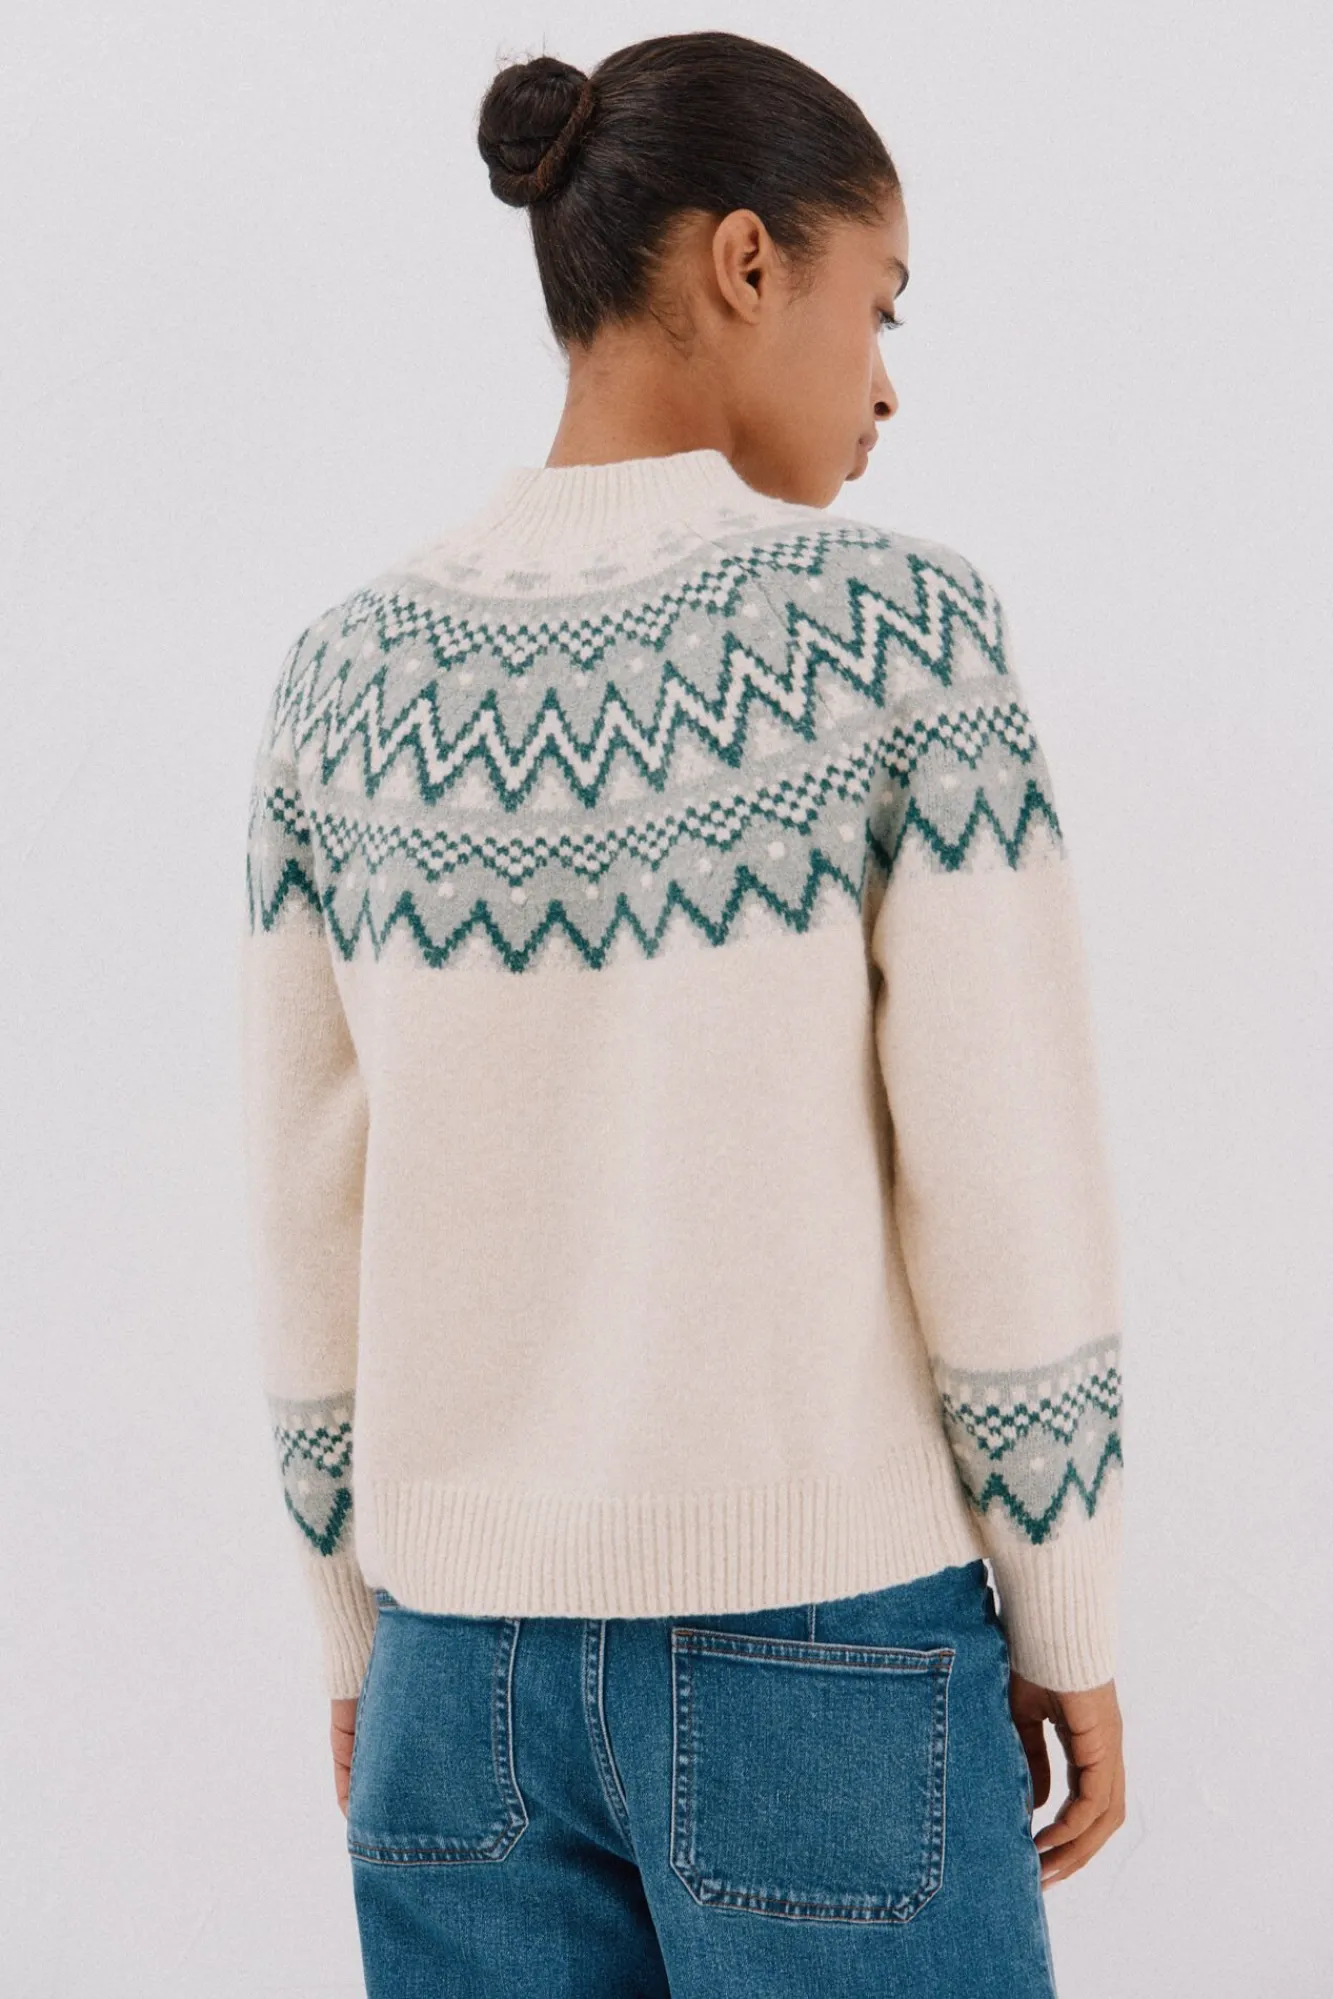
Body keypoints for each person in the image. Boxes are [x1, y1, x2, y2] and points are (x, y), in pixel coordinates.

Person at [238, 29, 1126, 1997]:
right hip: (821, 1647)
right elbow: (1001, 1166)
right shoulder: (893, 636)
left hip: (450, 1676)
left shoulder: (345, 683)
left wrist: (356, 1635)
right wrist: (1066, 1600)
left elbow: (306, 1207)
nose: (885, 381)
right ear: (746, 261)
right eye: (878, 305)